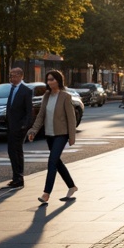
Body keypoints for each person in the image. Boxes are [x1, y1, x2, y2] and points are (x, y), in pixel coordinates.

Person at [26, 70, 77, 204]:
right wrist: (33, 131)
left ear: (58, 81)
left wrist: (72, 136)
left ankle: (46, 193)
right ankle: (72, 186)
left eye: (52, 79)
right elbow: (41, 116)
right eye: (48, 80)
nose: (50, 82)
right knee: (57, 162)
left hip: (62, 134)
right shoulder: (46, 96)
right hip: (49, 134)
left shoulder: (65, 96)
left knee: (52, 162)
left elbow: (71, 118)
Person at [4, 67, 34, 189]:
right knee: (12, 151)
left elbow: (29, 111)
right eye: (10, 75)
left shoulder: (26, 90)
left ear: (21, 76)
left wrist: (24, 126)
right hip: (11, 125)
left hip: (19, 127)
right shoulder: (12, 89)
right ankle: (16, 177)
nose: (11, 78)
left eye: (14, 75)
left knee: (16, 151)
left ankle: (19, 177)